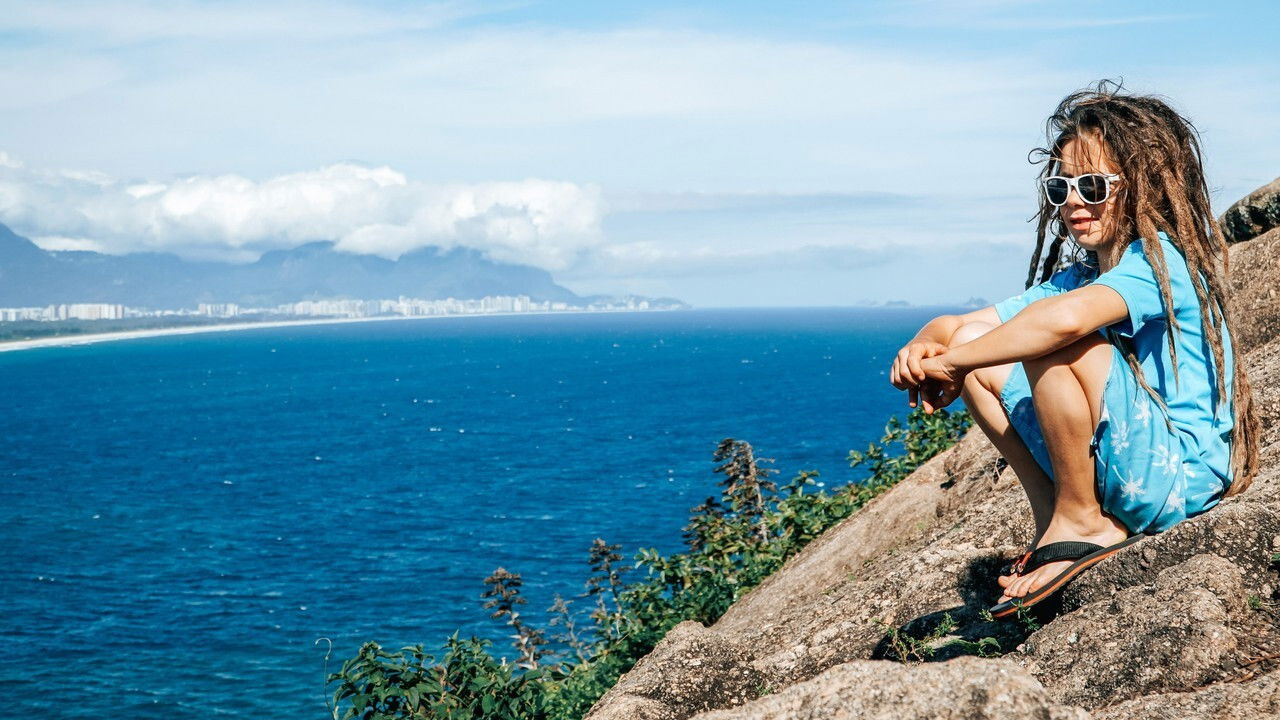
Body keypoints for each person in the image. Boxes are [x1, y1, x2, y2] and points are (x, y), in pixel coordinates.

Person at [889, 81, 1261, 618]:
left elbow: (1062, 323)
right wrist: (926, 344)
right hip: (1132, 468)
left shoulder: (1164, 265)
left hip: (1180, 480)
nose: (1074, 202)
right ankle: (1055, 517)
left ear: (1144, 185)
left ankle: (1082, 520)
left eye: (1091, 185)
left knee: (1049, 337)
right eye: (1061, 189)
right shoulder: (1083, 276)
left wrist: (949, 364)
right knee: (980, 344)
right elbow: (963, 325)